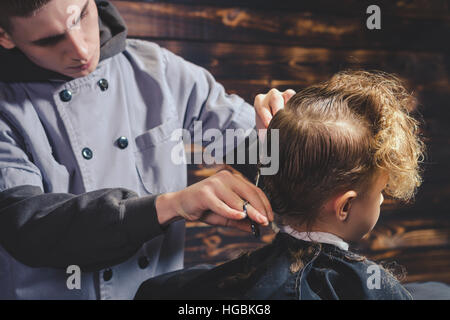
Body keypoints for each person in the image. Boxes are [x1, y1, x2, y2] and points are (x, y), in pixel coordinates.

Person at [0, 0, 295, 299]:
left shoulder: (159, 72)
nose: (80, 50)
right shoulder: (5, 110)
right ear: (4, 36)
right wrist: (172, 206)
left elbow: (262, 158)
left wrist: (275, 138)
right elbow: (29, 228)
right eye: (49, 40)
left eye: (81, 17)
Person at [135, 70, 429, 300]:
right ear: (346, 206)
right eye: (380, 192)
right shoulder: (373, 289)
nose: (380, 201)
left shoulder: (194, 289)